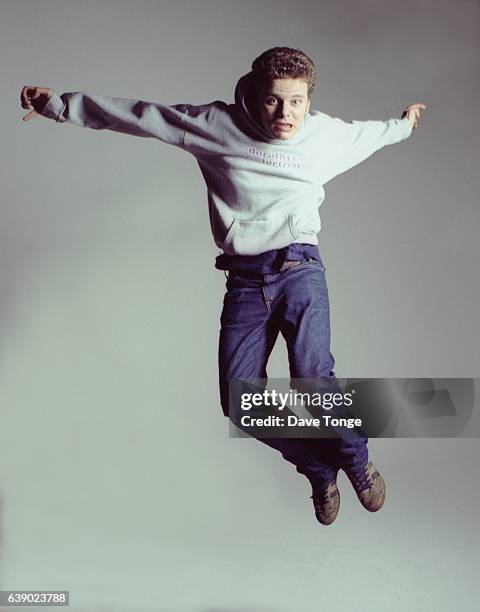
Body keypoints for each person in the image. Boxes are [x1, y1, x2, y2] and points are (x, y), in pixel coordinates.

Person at [20, 47, 425, 525]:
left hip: (300, 267)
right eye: (274, 101)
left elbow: (373, 134)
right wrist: (58, 106)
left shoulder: (324, 135)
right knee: (239, 403)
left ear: (308, 101)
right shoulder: (216, 126)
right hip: (245, 280)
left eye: (296, 102)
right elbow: (142, 117)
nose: (285, 114)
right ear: (254, 94)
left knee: (312, 378)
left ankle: (357, 462)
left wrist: (403, 124)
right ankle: (318, 469)